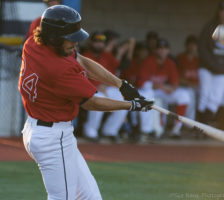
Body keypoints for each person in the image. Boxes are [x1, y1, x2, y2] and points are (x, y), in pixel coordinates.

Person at [18, 5, 153, 200]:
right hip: (52, 138)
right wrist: (131, 105)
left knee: (90, 197)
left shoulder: (33, 44)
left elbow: (82, 62)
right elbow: (92, 102)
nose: (75, 43)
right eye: (70, 39)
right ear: (54, 38)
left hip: (43, 129)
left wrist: (121, 84)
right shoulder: (59, 70)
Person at [82, 32, 132, 142]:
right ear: (91, 42)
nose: (99, 44)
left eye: (101, 42)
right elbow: (81, 76)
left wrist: (122, 52)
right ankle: (90, 131)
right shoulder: (85, 55)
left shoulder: (106, 55)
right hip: (89, 88)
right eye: (96, 41)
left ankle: (110, 131)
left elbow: (118, 67)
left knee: (123, 100)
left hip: (105, 87)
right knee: (98, 99)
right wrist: (96, 86)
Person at [138, 38, 191, 138]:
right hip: (148, 90)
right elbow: (141, 83)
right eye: (160, 48)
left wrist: (172, 89)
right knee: (146, 96)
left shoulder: (170, 63)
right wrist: (162, 86)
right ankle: (146, 130)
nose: (162, 51)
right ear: (155, 50)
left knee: (184, 96)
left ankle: (176, 130)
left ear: (168, 51)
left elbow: (175, 83)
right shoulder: (148, 61)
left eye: (165, 48)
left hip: (162, 90)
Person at [197, 0, 224, 124]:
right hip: (207, 68)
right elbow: (202, 48)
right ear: (218, 12)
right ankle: (199, 126)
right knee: (205, 95)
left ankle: (203, 126)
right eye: (222, 11)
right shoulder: (210, 26)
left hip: (222, 70)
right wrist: (213, 65)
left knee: (216, 98)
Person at [120, 42, 154, 139]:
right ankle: (129, 128)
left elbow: (142, 83)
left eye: (145, 51)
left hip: (140, 90)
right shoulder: (131, 62)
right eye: (141, 50)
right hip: (126, 89)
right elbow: (123, 78)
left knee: (147, 98)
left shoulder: (148, 62)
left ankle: (144, 130)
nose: (143, 53)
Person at [177, 35, 199, 120]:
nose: (192, 47)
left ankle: (205, 122)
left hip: (196, 86)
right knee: (190, 94)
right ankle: (189, 123)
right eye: (190, 44)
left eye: (194, 45)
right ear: (186, 45)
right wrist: (189, 84)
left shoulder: (198, 60)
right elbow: (176, 78)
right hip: (183, 86)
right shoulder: (180, 58)